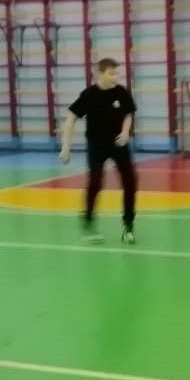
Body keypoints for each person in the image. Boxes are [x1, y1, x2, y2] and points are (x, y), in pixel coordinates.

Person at [61, 58, 138, 244]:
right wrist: (66, 147)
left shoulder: (121, 92)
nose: (115, 77)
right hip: (96, 144)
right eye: (111, 73)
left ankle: (128, 225)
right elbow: (70, 119)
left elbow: (128, 114)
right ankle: (88, 223)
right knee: (95, 182)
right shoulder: (89, 95)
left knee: (130, 181)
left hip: (119, 144)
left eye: (116, 73)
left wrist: (125, 132)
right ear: (100, 74)